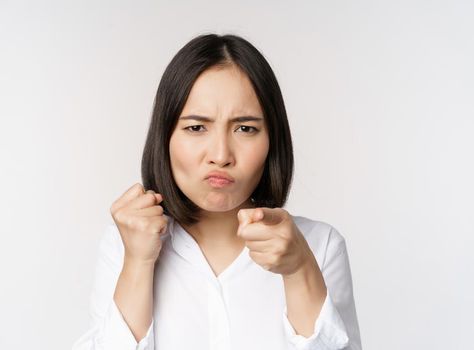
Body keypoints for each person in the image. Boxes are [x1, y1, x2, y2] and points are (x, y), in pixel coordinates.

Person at [71, 34, 361, 350]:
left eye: (245, 128)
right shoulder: (122, 246)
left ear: (272, 141)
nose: (221, 154)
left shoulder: (320, 246)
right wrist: (138, 262)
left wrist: (300, 269)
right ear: (165, 136)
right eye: (196, 127)